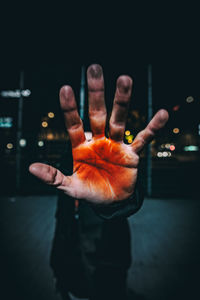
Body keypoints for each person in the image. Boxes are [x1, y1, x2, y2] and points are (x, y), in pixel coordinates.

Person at [29, 64, 169, 299]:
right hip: (68, 264)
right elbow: (63, 212)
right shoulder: (71, 155)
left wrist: (119, 198)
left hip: (108, 265)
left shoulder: (112, 157)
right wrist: (57, 267)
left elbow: (128, 196)